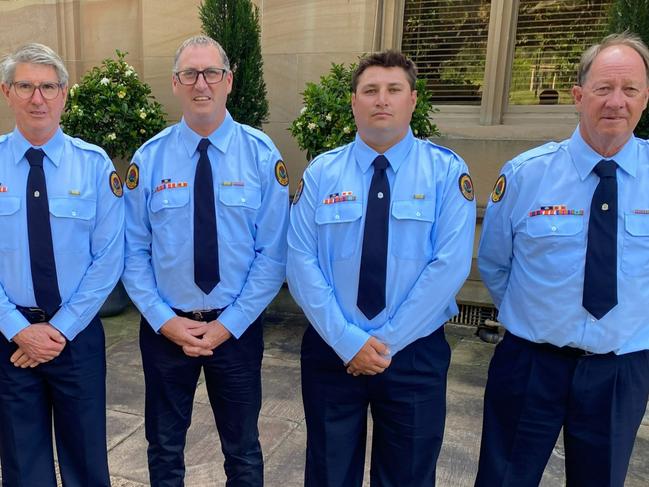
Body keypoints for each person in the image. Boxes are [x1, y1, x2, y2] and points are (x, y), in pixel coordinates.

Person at [287, 50, 476, 486]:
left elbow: (448, 267)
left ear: (412, 100)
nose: (381, 100)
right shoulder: (321, 173)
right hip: (333, 350)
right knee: (329, 473)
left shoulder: (446, 173)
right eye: (370, 90)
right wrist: (348, 341)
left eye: (393, 90)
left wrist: (382, 344)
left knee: (408, 475)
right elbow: (300, 261)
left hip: (413, 353)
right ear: (354, 102)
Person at [476, 32, 649, 487]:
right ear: (578, 96)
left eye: (630, 89)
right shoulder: (525, 175)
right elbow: (495, 264)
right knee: (503, 478)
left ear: (645, 98)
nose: (616, 102)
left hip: (619, 371)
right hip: (531, 364)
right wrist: (539, 317)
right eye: (603, 88)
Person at [122, 35, 289, 486]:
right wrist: (163, 320)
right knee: (163, 447)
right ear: (175, 84)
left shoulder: (261, 155)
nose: (202, 84)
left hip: (234, 330)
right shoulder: (149, 159)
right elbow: (132, 252)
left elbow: (273, 255)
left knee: (243, 451)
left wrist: (228, 324)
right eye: (190, 74)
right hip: (166, 331)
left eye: (211, 73)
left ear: (228, 81)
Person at [0, 43, 124, 486]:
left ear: (64, 94)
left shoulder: (92, 166)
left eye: (48, 86)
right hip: (10, 339)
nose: (38, 98)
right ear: (6, 92)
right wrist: (18, 329)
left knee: (87, 461)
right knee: (22, 464)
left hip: (77, 337)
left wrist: (60, 329)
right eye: (26, 86)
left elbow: (109, 257)